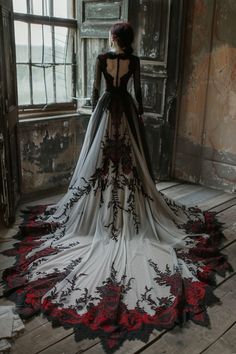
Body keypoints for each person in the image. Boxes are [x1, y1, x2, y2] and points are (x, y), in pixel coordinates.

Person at [1, 22, 232, 353]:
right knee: (129, 159)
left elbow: (96, 92)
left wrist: (97, 112)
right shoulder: (134, 61)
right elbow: (137, 95)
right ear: (131, 40)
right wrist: (135, 116)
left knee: (100, 160)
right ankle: (127, 197)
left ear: (113, 38)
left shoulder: (100, 58)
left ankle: (101, 199)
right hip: (124, 109)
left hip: (106, 109)